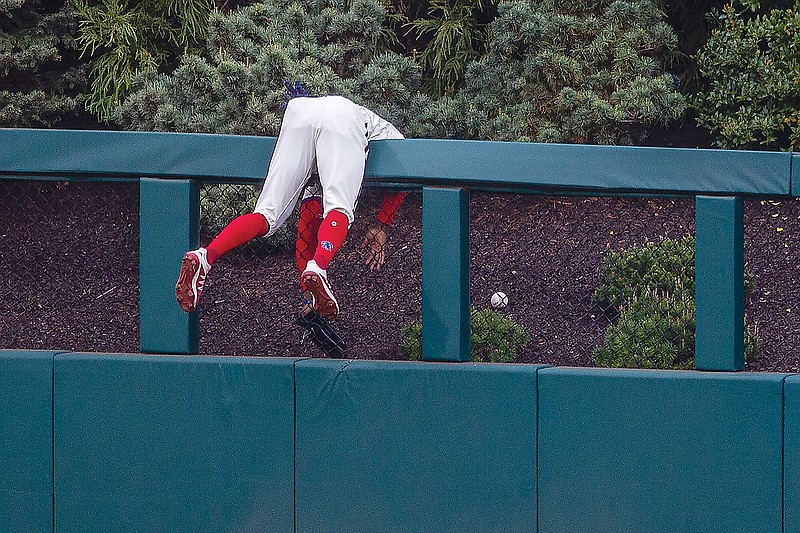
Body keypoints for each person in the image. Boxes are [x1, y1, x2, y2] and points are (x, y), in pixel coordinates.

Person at [175, 82, 406, 320]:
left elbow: (306, 233)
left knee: (267, 214)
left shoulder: (317, 163)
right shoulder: (385, 133)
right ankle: (319, 266)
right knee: (339, 208)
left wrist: (309, 294)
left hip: (299, 113)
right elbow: (405, 172)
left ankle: (206, 256)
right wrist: (383, 223)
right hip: (344, 117)